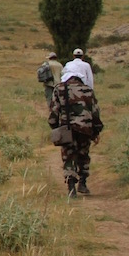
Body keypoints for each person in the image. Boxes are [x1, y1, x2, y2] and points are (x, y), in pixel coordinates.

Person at [48, 59, 103, 196]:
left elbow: (54, 112)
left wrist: (55, 128)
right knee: (83, 155)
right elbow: (95, 112)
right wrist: (96, 131)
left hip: (67, 129)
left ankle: (71, 187)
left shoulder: (59, 89)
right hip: (85, 129)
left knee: (69, 156)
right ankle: (83, 183)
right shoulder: (88, 90)